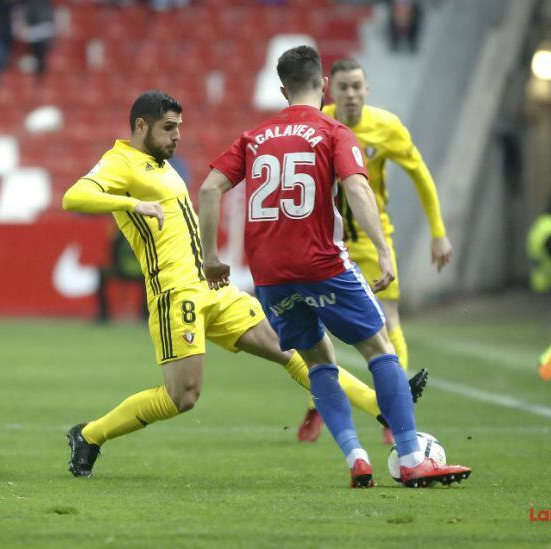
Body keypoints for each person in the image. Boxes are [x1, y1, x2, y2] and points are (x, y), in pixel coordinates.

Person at [61, 90, 429, 477]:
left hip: (209, 288)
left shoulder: (161, 164)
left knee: (292, 352)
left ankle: (382, 407)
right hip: (175, 295)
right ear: (141, 125)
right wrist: (130, 204)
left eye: (179, 129)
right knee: (182, 396)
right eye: (168, 128)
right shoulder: (120, 161)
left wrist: (209, 261)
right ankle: (89, 435)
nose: (176, 137)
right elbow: (74, 197)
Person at [198, 45, 471, 488]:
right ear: (324, 85)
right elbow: (358, 191)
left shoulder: (254, 137)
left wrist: (211, 257)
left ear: (283, 89)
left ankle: (356, 458)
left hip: (269, 274)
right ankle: (409, 456)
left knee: (317, 360)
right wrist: (383, 250)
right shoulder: (334, 131)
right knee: (380, 348)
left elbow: (210, 189)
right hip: (322, 261)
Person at [289, 57, 452, 445]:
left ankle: (395, 413)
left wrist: (438, 232)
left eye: (357, 86)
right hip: (329, 238)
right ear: (331, 90)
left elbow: (420, 174)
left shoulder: (387, 127)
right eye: (343, 87)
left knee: (388, 318)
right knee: (318, 329)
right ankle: (321, 404)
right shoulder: (319, 124)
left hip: (375, 237)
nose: (351, 94)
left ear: (367, 89)